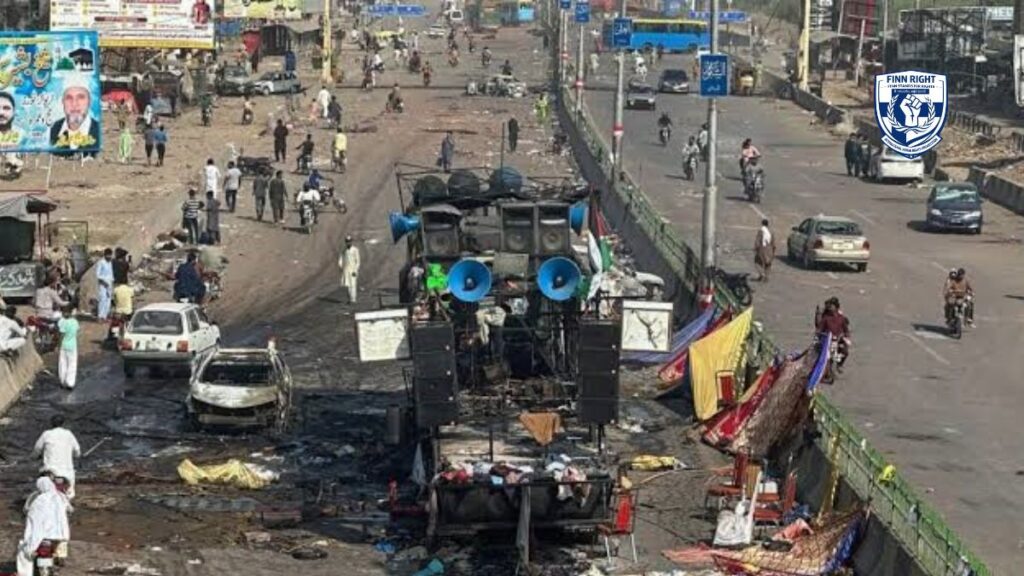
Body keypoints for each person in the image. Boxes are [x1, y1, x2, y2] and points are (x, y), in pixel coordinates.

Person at [16, 476, 71, 576]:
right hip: (60, 535)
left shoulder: (39, 499)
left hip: (43, 534)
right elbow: (69, 510)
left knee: (24, 551)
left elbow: (34, 517)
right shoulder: (61, 497)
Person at [32, 415, 81, 497]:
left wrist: (33, 457)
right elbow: (77, 452)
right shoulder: (69, 434)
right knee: (70, 494)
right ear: (63, 423)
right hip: (67, 473)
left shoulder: (46, 434)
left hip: (50, 472)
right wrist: (75, 455)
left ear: (51, 423)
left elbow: (37, 449)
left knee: (42, 489)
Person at [50, 76, 99, 149]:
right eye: (69, 98)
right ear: (63, 102)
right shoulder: (53, 130)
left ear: (89, 102)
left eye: (81, 97)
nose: (74, 104)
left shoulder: (98, 131)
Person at [814, 297, 850, 369]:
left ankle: (839, 365)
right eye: (830, 306)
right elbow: (819, 329)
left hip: (838, 339)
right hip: (827, 340)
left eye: (832, 306)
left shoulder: (841, 318)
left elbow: (846, 330)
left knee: (845, 352)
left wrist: (846, 336)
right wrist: (819, 335)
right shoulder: (826, 318)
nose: (830, 307)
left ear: (836, 307)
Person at [56, 306, 79, 389]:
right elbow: (76, 333)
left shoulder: (63, 322)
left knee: (62, 363)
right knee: (72, 364)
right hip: (72, 346)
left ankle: (62, 381)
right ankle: (70, 382)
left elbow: (61, 335)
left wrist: (59, 345)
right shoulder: (75, 322)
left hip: (64, 345)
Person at [338, 236, 361, 304]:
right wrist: (341, 266)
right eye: (347, 242)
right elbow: (341, 259)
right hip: (346, 269)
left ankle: (353, 299)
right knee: (347, 284)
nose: (348, 243)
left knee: (353, 284)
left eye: (349, 241)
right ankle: (350, 299)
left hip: (353, 269)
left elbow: (358, 261)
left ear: (351, 242)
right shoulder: (344, 250)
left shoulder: (355, 250)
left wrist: (355, 270)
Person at [96, 248, 114, 320]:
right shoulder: (101, 262)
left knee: (108, 300)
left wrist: (111, 283)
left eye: (110, 255)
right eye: (108, 255)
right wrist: (104, 282)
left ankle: (105, 316)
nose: (109, 257)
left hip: (109, 283)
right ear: (105, 255)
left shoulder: (110, 262)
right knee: (103, 299)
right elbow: (98, 275)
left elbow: (111, 273)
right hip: (103, 284)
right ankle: (100, 316)